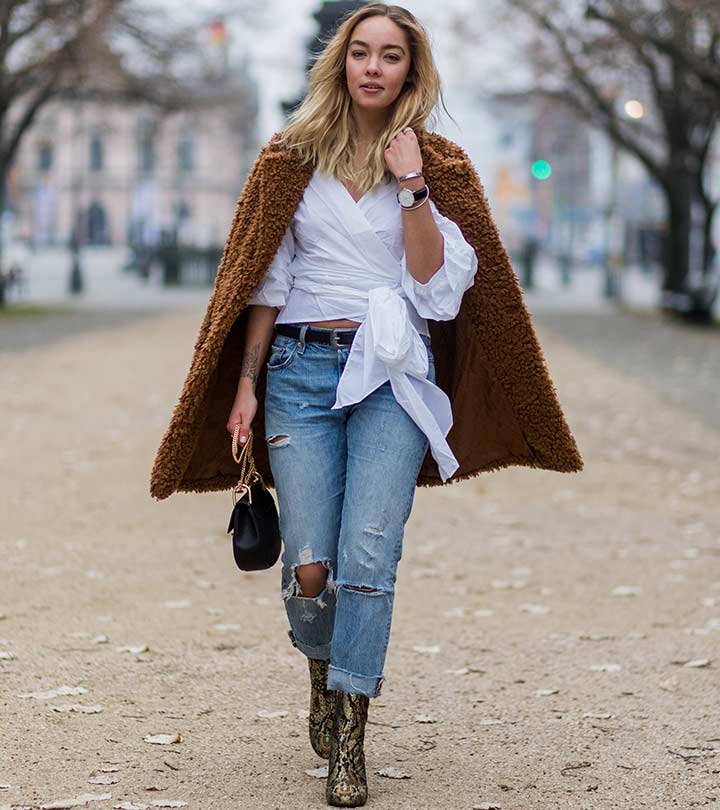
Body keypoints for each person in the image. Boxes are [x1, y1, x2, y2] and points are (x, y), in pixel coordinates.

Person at [149, 4, 583, 806]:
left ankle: (351, 734)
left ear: (411, 72)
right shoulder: (289, 157)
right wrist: (244, 382)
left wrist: (413, 181)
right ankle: (321, 669)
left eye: (391, 55)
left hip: (391, 377)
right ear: (341, 63)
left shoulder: (438, 165)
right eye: (361, 53)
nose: (374, 67)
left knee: (370, 560)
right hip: (300, 371)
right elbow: (264, 281)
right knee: (311, 567)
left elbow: (435, 288)